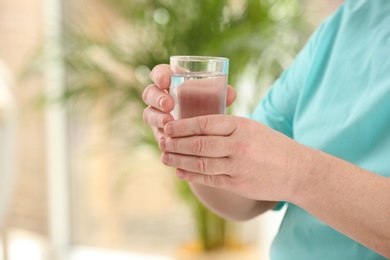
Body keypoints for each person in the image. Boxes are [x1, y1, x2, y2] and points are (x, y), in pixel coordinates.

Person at [142, 0, 390, 259]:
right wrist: (191, 138)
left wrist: (298, 173)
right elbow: (246, 199)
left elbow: (286, 170)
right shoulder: (347, 23)